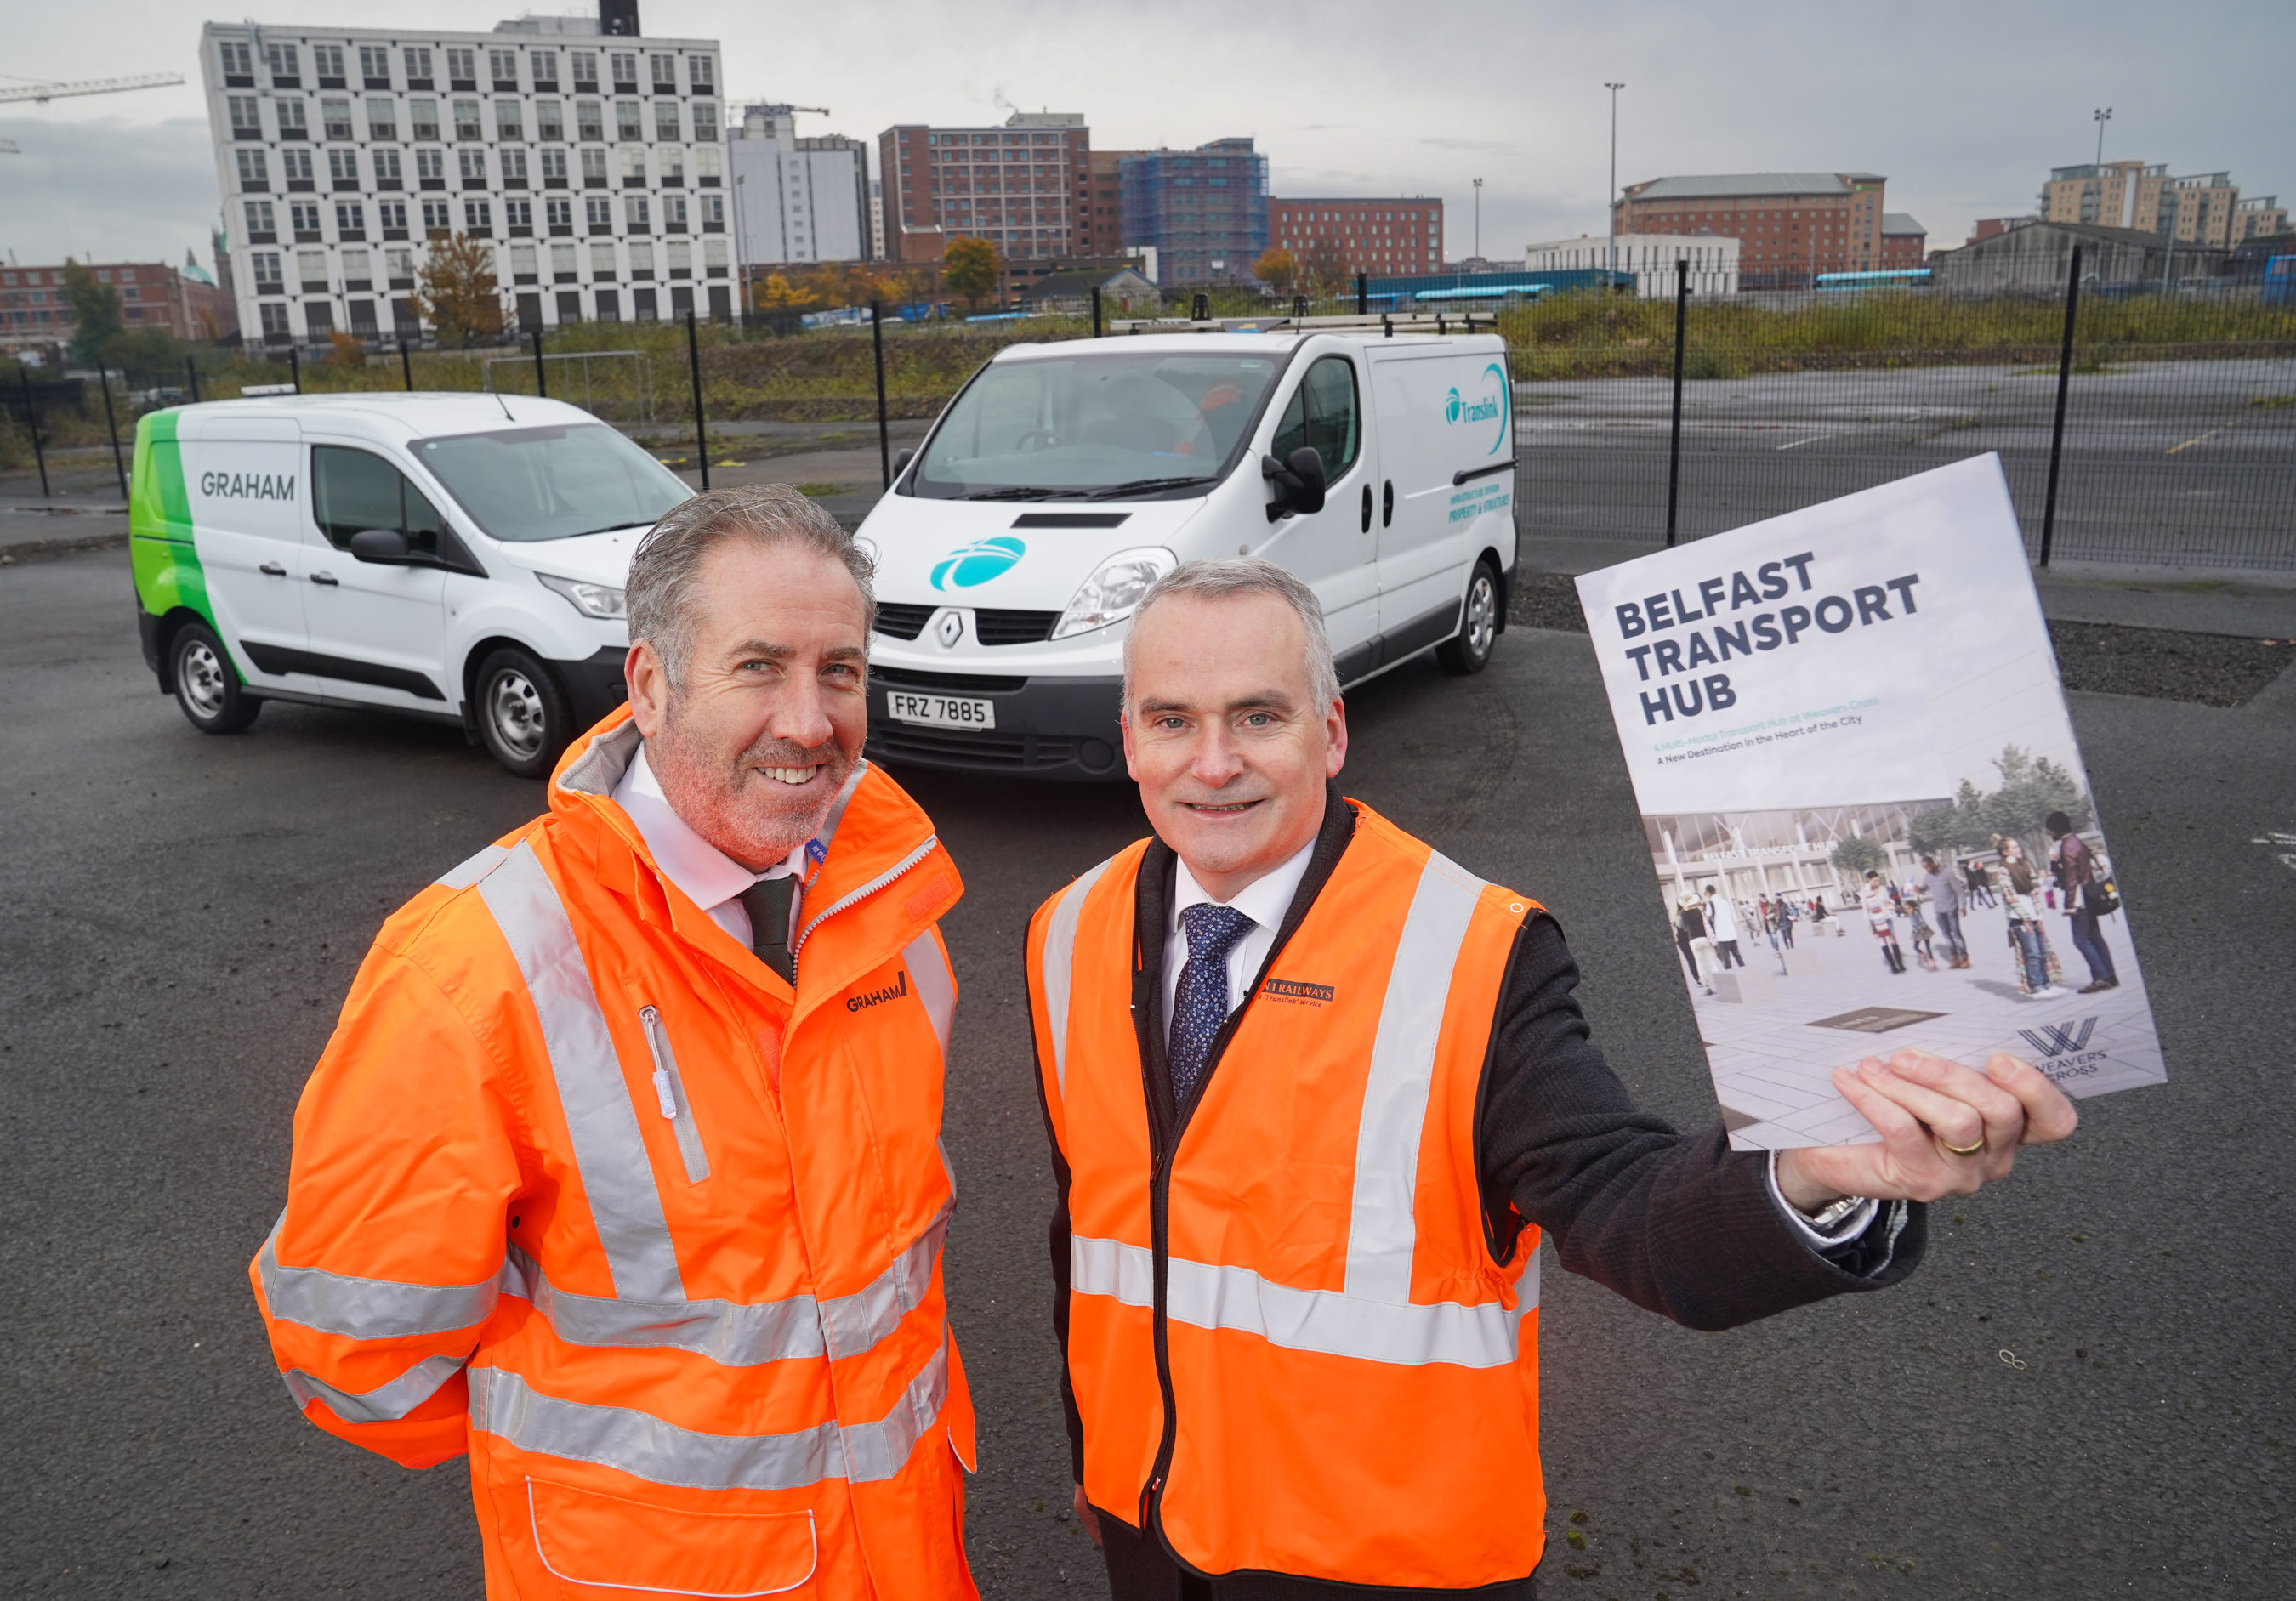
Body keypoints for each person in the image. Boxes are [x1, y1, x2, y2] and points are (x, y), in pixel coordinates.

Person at [1024, 559, 2075, 1599]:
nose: (1212, 763)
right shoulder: (1065, 933)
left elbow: (1619, 1198)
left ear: (1332, 731)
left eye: (1258, 716)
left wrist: (1812, 1171)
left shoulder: (1474, 950)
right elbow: (1095, 1222)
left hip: (1381, 1564)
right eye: (1171, 720)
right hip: (1147, 1525)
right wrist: (1100, 1456)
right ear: (1129, 739)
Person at [249, 488, 980, 1599]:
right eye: (758, 666)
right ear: (649, 684)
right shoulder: (474, 966)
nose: (810, 717)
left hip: (907, 1553)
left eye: (840, 668)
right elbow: (356, 1349)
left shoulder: (890, 903)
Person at [2046, 811, 2120, 995]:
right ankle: (2110, 976)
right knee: (2095, 937)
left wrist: (2070, 906)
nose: (2048, 833)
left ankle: (2101, 977)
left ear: (2055, 829)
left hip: (2080, 900)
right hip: (2090, 895)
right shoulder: (2077, 842)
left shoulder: (2067, 846)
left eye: (2049, 830)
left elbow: (2071, 878)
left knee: (2080, 940)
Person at [1995, 836, 2066, 999]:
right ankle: (2037, 986)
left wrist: (2038, 916)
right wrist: (2026, 918)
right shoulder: (2003, 870)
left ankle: (2047, 983)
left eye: (2018, 846)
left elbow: (2033, 893)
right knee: (2032, 953)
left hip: (2033, 915)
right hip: (2020, 918)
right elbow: (2009, 896)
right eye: (2014, 847)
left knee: (2042, 951)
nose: (2019, 849)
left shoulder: (2023, 866)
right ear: (2005, 852)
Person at [1918, 854, 1969, 969]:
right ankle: (1955, 958)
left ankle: (1964, 958)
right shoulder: (1928, 877)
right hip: (1939, 911)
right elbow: (1924, 888)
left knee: (1956, 934)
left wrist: (1963, 906)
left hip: (1951, 909)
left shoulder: (1948, 874)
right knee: (1946, 935)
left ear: (1933, 863)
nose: (1927, 869)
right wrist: (1918, 889)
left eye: (1928, 866)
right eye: (1925, 868)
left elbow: (1959, 891)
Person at [1862, 870, 1907, 974]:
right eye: (1874, 881)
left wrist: (1892, 904)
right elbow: (1865, 909)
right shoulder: (1864, 893)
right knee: (1883, 942)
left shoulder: (1882, 889)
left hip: (1886, 917)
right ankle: (1893, 966)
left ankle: (1900, 964)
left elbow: (1888, 901)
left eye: (1877, 880)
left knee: (1893, 939)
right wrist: (1868, 923)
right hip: (1876, 920)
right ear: (1868, 880)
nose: (1876, 882)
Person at [1702, 883, 1745, 969]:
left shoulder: (1710, 903)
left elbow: (1708, 918)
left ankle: (1730, 976)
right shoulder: (1724, 902)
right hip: (1731, 932)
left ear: (1708, 893)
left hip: (1721, 934)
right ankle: (1744, 970)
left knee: (1726, 957)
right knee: (1737, 955)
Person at [1674, 893, 1711, 991]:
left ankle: (1698, 979)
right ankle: (1699, 978)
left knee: (1691, 959)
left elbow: (1680, 928)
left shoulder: (1679, 914)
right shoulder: (1684, 913)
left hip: (1684, 940)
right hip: (1687, 939)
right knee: (1693, 959)